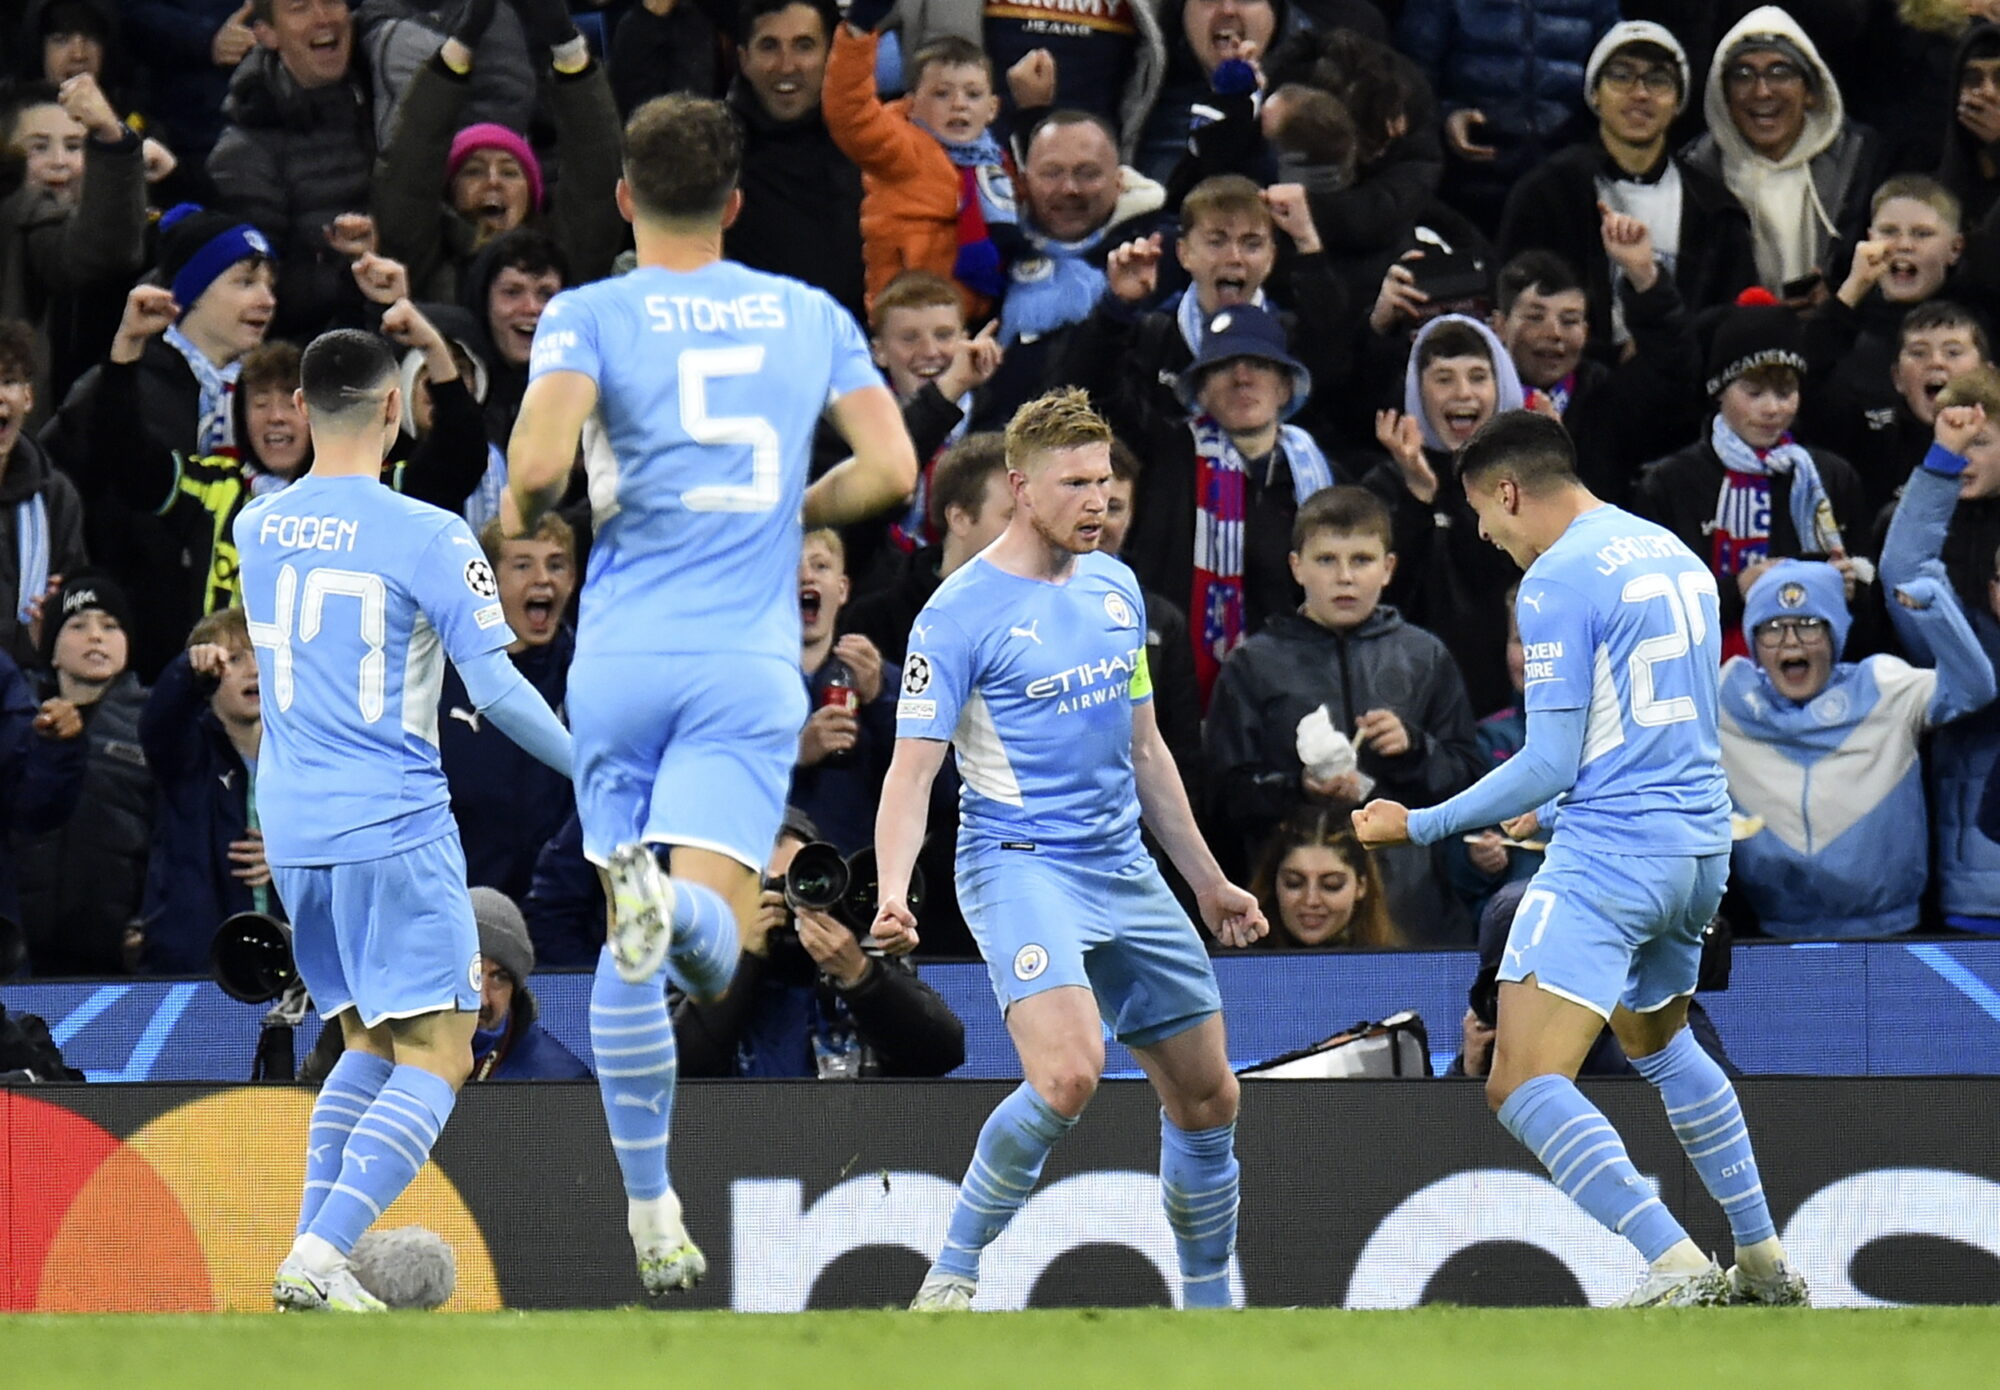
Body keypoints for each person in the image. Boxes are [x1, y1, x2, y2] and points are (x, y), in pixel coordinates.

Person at [504, 94, 916, 1298]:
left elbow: (534, 469)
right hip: (742, 667)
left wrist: (524, 516)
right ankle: (655, 904)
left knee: (634, 964)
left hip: (621, 656)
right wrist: (799, 508)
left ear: (624, 201)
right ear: (735, 204)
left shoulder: (585, 311)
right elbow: (890, 468)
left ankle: (649, 1209)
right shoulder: (806, 315)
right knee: (712, 932)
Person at [1353, 409, 1810, 1308]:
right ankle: (1762, 1259)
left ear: (1512, 490)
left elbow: (1549, 758)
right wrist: (1560, 809)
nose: (1484, 535)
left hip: (1613, 859)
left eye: (1484, 512)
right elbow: (1650, 732)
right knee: (1659, 1042)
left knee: (1520, 1081)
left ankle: (1674, 1264)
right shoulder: (1673, 553)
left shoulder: (1556, 579)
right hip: (1696, 850)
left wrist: (1421, 823)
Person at [870, 387, 1266, 1311]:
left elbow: (1146, 750)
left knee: (1210, 1100)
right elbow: (910, 773)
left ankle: (1211, 1316)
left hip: (1121, 865)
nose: (1099, 500)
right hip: (1017, 861)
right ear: (1019, 487)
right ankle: (952, 1275)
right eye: (1076, 483)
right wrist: (895, 889)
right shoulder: (955, 617)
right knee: (1068, 1072)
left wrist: (1206, 882)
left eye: (1106, 481)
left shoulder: (1117, 589)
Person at [240, 327, 573, 1313]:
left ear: (301, 410)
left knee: (369, 1042)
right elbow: (501, 694)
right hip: (393, 819)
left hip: (295, 830)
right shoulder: (429, 534)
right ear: (396, 408)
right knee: (442, 1049)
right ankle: (317, 1250)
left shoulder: (257, 530)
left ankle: (315, 1259)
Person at [1204, 484, 1481, 942]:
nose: (1345, 577)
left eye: (1362, 560)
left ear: (1389, 568)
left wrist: (1414, 750)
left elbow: (1470, 783)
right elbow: (1221, 798)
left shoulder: (1424, 657)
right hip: (1290, 923)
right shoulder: (1254, 664)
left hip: (1411, 913)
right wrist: (1299, 788)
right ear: (1297, 566)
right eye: (1327, 560)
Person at [42, 204, 277, 680]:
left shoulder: (271, 395)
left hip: (244, 649)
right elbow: (58, 488)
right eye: (245, 281)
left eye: (271, 284)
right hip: (140, 642)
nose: (267, 299)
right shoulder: (119, 383)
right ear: (190, 292)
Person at [1109, 303, 1337, 704]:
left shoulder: (1322, 474)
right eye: (1223, 366)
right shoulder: (1165, 455)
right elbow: (1105, 395)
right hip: (1182, 690)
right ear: (1199, 390)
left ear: (1285, 386)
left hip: (1301, 683)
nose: (1242, 378)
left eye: (1258, 364)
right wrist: (1114, 311)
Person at [1496, 20, 1756, 351]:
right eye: (1621, 75)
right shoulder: (1546, 194)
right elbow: (1515, 308)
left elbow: (1730, 321)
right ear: (1594, 93)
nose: (1640, 93)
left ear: (1678, 101)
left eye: (1659, 80)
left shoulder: (1715, 207)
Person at [1632, 291, 1867, 656]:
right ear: (1719, 391)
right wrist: (1737, 588)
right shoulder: (1669, 484)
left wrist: (1855, 585)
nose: (1772, 408)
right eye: (1754, 392)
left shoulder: (1831, 477)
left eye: (1786, 392)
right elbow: (1650, 609)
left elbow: (1869, 603)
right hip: (1709, 675)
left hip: (1818, 674)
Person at [674, 809, 965, 1077]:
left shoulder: (860, 951)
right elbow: (674, 1070)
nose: (784, 902)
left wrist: (861, 977)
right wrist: (743, 961)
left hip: (850, 1127)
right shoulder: (698, 961)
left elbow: (942, 1053)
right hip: (737, 1128)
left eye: (798, 883)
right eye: (765, 887)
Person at [1367, 313, 1526, 715]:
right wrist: (1419, 498)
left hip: (1504, 709)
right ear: (1418, 391)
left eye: (1477, 377)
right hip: (1410, 707)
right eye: (1443, 378)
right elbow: (1383, 596)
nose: (1463, 393)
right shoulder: (1384, 485)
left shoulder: (1529, 482)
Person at [1678, 6, 1881, 299]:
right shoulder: (1696, 173)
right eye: (1743, 75)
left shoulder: (1859, 160)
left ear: (1811, 91)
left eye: (1780, 72)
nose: (1762, 91)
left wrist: (1838, 297)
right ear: (1723, 96)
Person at [206, 0, 375, 340]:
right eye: (300, 8)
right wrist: (350, 271)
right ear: (266, 33)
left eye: (331, 1)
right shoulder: (245, 150)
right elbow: (257, 293)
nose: (323, 18)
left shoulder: (382, 97)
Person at [302, 886, 591, 1081]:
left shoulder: (558, 1080)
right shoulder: (370, 1045)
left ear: (516, 987)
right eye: (472, 973)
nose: (481, 1000)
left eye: (499, 978)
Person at [14, 571, 152, 977]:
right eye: (77, 625)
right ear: (51, 649)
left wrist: (149, 918)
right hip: (22, 951)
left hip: (119, 952)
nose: (96, 636)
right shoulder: (19, 718)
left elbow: (171, 831)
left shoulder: (154, 722)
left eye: (111, 626)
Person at [823, 24, 1016, 314]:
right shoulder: (902, 148)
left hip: (979, 323)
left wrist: (1032, 115)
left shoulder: (996, 160)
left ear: (992, 108)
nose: (959, 104)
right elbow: (850, 111)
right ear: (911, 104)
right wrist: (857, 32)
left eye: (973, 94)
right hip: (908, 321)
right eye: (942, 93)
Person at [437, 514, 576, 900]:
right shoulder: (443, 680)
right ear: (488, 581)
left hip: (563, 921)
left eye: (556, 564)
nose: (543, 579)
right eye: (522, 565)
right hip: (466, 907)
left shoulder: (590, 676)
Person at [136, 607, 274, 973]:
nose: (254, 669)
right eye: (235, 658)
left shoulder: (306, 758)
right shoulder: (187, 753)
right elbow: (157, 724)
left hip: (290, 967)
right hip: (195, 965)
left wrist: (288, 857)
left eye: (262, 655)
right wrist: (186, 673)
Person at [721, 0, 866, 327]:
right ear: (743, 59)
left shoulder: (871, 144)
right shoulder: (712, 152)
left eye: (804, 46)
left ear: (831, 54)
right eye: (769, 46)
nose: (787, 66)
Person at [791, 529, 893, 853]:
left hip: (851, 884)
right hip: (764, 876)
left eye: (820, 566)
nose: (806, 576)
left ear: (843, 588)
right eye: (791, 568)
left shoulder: (878, 678)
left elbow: (941, 791)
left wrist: (879, 698)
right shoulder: (744, 680)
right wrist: (794, 754)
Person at [0, 320, 87, 672]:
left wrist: (58, 617)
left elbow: (77, 595)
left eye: (9, 382)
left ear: (29, 397)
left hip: (28, 685)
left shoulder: (55, 496)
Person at [1249, 807, 1398, 949]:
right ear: (1274, 883)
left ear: (1361, 886)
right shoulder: (1235, 964)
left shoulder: (1395, 968)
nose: (1311, 900)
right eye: (1293, 883)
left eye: (1331, 885)